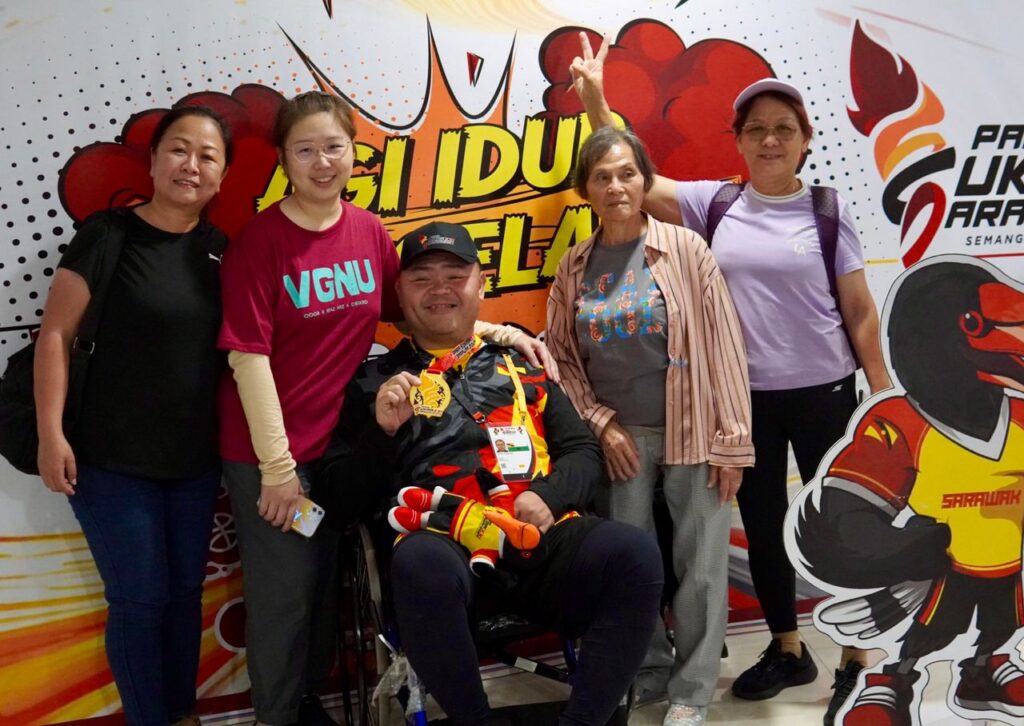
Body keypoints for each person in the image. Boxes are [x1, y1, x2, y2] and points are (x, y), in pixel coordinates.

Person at [569, 33, 890, 726]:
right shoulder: (714, 204)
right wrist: (596, 99)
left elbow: (861, 312)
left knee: (842, 525)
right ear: (739, 140)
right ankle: (788, 647)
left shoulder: (828, 211)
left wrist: (885, 395)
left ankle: (859, 658)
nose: (770, 141)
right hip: (744, 398)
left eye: (783, 129)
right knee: (766, 525)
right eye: (756, 130)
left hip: (826, 393)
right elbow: (628, 173)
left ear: (804, 140)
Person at [216, 92, 559, 726]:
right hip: (271, 452)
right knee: (285, 593)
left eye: (334, 147)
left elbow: (427, 311)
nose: (322, 162)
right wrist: (278, 468)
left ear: (354, 153)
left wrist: (498, 332)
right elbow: (248, 359)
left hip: (341, 443)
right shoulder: (260, 243)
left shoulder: (368, 232)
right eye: (305, 150)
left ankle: (305, 701)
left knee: (322, 586)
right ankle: (277, 715)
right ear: (284, 160)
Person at [316, 220, 664, 726]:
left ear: (481, 286)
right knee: (419, 563)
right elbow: (339, 501)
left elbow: (582, 450)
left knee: (633, 553)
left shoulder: (522, 362)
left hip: (539, 538)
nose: (439, 289)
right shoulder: (373, 383)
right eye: (422, 278)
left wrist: (548, 496)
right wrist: (380, 434)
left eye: (455, 276)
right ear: (399, 294)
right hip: (446, 550)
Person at [545, 125, 753, 726]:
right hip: (620, 442)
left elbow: (725, 347)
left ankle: (693, 690)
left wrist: (733, 441)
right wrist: (601, 425)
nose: (616, 186)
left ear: (644, 180)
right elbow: (560, 360)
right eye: (602, 177)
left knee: (701, 568)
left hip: (696, 430)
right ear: (586, 190)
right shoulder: (574, 267)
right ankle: (649, 667)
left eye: (627, 174)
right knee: (630, 569)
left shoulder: (686, 249)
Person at [34, 105, 232, 726]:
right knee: (140, 602)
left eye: (207, 156)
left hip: (194, 463)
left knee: (183, 598)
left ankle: (181, 714)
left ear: (223, 175)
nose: (191, 165)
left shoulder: (221, 250)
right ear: (152, 161)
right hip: (111, 461)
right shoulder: (108, 233)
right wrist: (50, 435)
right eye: (178, 149)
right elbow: (55, 335)